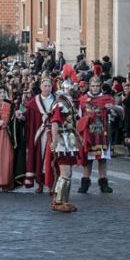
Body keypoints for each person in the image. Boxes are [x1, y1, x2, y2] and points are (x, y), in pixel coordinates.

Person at [77, 76, 123, 194]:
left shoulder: (106, 98)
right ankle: (85, 183)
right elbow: (79, 116)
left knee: (102, 159)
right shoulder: (83, 99)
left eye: (97, 86)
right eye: (93, 86)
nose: (95, 88)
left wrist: (112, 107)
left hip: (102, 133)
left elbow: (120, 112)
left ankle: (103, 183)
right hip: (88, 133)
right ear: (89, 86)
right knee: (88, 159)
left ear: (100, 86)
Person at [49, 81, 81, 212]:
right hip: (63, 141)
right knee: (65, 173)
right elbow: (55, 123)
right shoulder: (60, 104)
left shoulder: (69, 103)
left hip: (70, 140)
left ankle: (65, 200)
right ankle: (57, 202)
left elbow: (73, 124)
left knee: (69, 173)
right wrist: (55, 141)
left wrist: (79, 137)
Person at [22, 77, 55, 192]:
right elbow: (25, 112)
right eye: (45, 86)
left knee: (52, 159)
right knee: (38, 157)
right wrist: (20, 114)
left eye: (49, 86)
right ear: (41, 87)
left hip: (53, 134)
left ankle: (52, 185)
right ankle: (40, 184)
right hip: (39, 134)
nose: (47, 88)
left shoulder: (57, 100)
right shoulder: (34, 101)